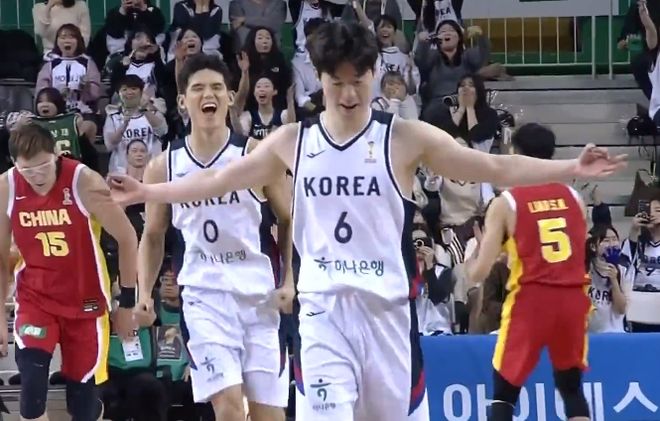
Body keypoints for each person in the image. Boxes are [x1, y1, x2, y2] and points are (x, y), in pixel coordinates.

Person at [109, 22, 626, 421]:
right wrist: (148, 191)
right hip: (323, 314)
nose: (349, 94)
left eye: (358, 81)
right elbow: (216, 180)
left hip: (388, 315)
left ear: (375, 74)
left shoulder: (403, 137)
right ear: (320, 79)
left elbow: (494, 167)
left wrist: (570, 167)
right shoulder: (293, 141)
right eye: (336, 83)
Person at [132, 54, 293, 421]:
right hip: (204, 299)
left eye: (218, 87)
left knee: (268, 414)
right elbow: (153, 235)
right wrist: (144, 294)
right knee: (230, 408)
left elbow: (288, 219)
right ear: (182, 101)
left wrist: (289, 279)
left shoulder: (256, 156)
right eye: (199, 88)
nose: (209, 94)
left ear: (231, 97)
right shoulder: (163, 166)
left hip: (259, 297)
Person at [0, 124, 138, 421]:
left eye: (43, 167)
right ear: (14, 164)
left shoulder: (84, 181)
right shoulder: (6, 187)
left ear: (57, 154)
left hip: (85, 300)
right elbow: (1, 257)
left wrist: (127, 304)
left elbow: (127, 238)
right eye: (28, 170)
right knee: (32, 384)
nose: (37, 177)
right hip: (35, 297)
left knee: (83, 404)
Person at [466, 123, 592, 421]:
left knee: (504, 393)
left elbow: (479, 272)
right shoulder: (575, 198)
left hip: (532, 300)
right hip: (573, 299)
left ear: (516, 155)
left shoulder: (506, 202)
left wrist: (480, 256)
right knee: (571, 388)